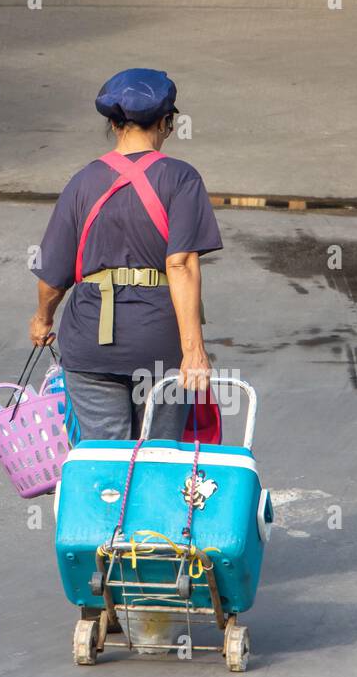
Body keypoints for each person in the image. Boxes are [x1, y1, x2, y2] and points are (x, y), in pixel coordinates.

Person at [28, 68, 222, 441]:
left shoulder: (82, 181)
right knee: (157, 460)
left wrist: (42, 320)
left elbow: (52, 278)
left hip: (89, 347)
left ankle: (107, 498)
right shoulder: (181, 178)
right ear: (166, 122)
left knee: (106, 464)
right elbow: (180, 265)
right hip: (158, 346)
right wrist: (193, 351)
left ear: (114, 124)